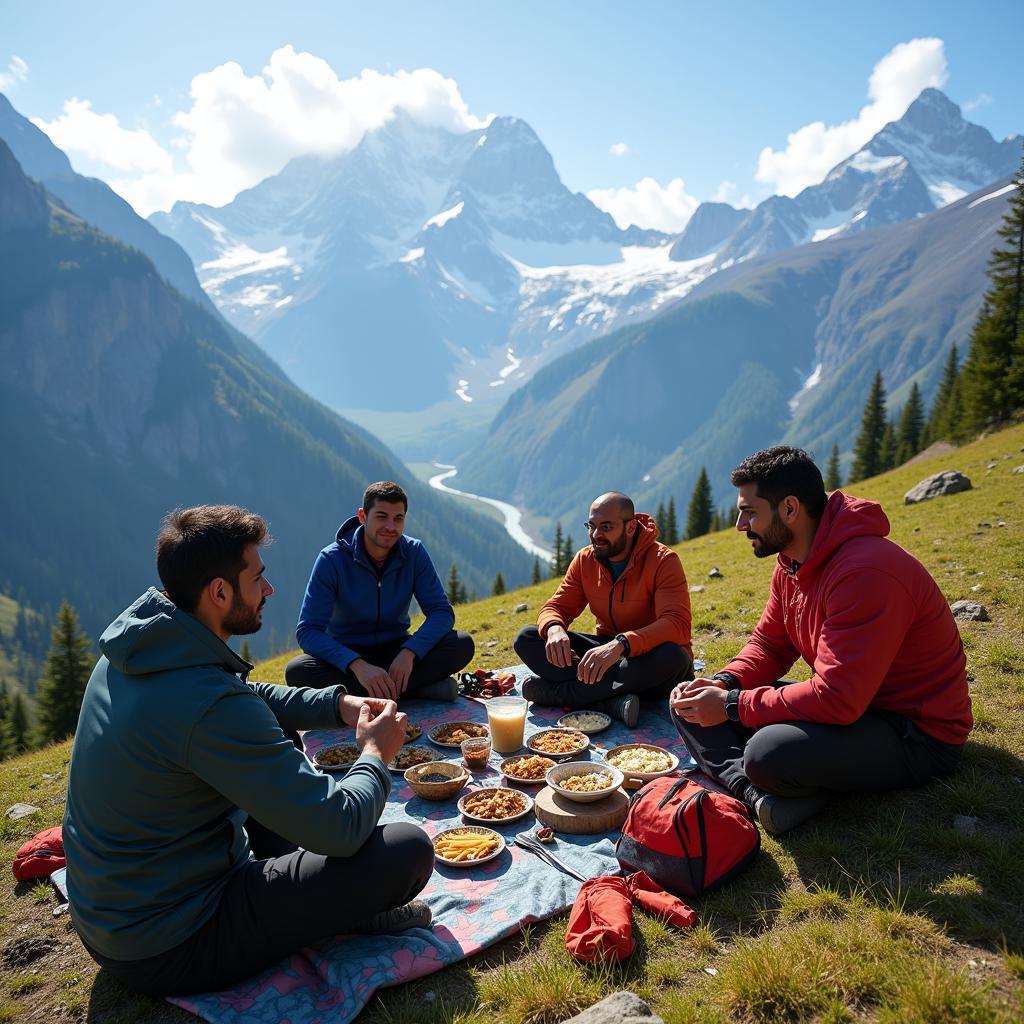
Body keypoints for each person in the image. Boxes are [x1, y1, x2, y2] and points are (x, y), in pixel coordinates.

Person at [64, 505, 435, 997]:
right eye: (258, 577)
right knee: (405, 851)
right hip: (172, 943)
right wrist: (373, 753)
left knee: (275, 735)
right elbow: (342, 829)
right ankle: (344, 908)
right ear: (219, 592)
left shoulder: (140, 652)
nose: (269, 589)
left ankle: (320, 893)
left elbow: (239, 700)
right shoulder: (206, 706)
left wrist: (337, 705)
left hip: (116, 916)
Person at [671, 446, 972, 835]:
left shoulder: (866, 571)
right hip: (855, 708)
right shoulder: (792, 565)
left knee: (768, 754)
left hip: (914, 733)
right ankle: (758, 797)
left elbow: (838, 698)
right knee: (688, 703)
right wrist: (724, 684)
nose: (740, 524)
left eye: (749, 512)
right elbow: (770, 646)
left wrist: (731, 706)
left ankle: (771, 784)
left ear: (790, 509)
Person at [514, 492, 693, 727]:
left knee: (674, 657)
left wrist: (621, 645)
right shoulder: (585, 560)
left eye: (606, 527)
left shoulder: (663, 561)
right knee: (527, 637)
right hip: (607, 656)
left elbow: (676, 624)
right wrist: (554, 628)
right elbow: (556, 606)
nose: (596, 535)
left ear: (630, 528)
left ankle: (558, 694)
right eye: (592, 526)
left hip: (647, 660)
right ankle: (607, 701)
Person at [285, 481, 474, 702]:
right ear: (363, 516)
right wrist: (356, 664)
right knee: (297, 670)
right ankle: (413, 690)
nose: (391, 527)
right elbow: (308, 631)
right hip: (347, 656)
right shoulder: (332, 559)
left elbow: (441, 612)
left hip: (397, 650)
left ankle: (363, 696)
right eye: (382, 516)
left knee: (461, 643)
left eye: (398, 518)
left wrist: (409, 653)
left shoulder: (414, 553)